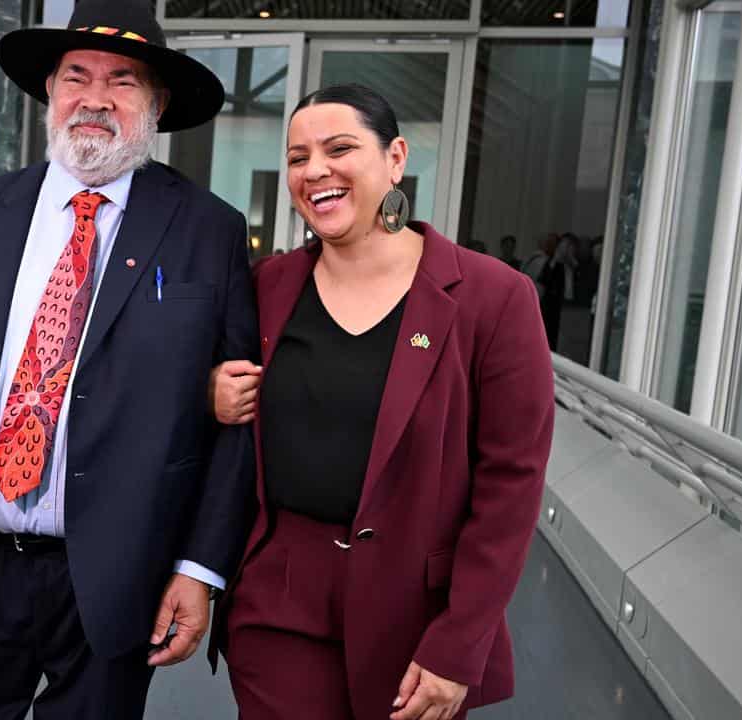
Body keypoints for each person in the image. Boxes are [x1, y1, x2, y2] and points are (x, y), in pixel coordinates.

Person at [0, 1, 258, 718]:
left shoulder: (209, 232)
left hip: (118, 570)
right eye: (77, 76)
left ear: (157, 103)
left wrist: (199, 570)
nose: (96, 98)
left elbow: (237, 424)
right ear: (49, 90)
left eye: (123, 81)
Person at [209, 84, 554, 720]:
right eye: (297, 157)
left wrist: (460, 642)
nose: (315, 170)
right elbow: (212, 402)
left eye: (340, 149)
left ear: (395, 158)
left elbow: (512, 483)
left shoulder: (492, 298)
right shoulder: (269, 288)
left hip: (416, 611)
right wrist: (214, 394)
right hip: (279, 598)